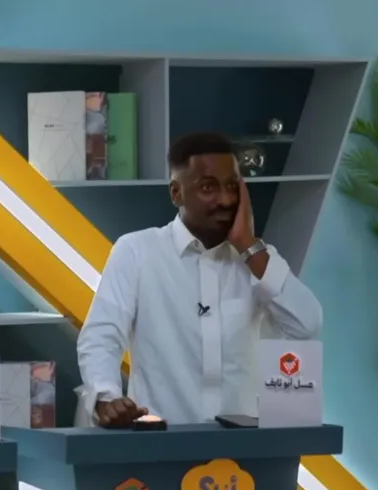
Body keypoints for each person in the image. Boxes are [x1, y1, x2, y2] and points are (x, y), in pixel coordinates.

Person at [76, 131, 322, 426]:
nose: (225, 200)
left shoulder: (257, 259)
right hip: (161, 440)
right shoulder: (137, 251)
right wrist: (106, 397)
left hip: (243, 446)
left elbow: (306, 325)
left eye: (232, 187)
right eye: (208, 188)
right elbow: (101, 337)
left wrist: (247, 243)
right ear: (176, 193)